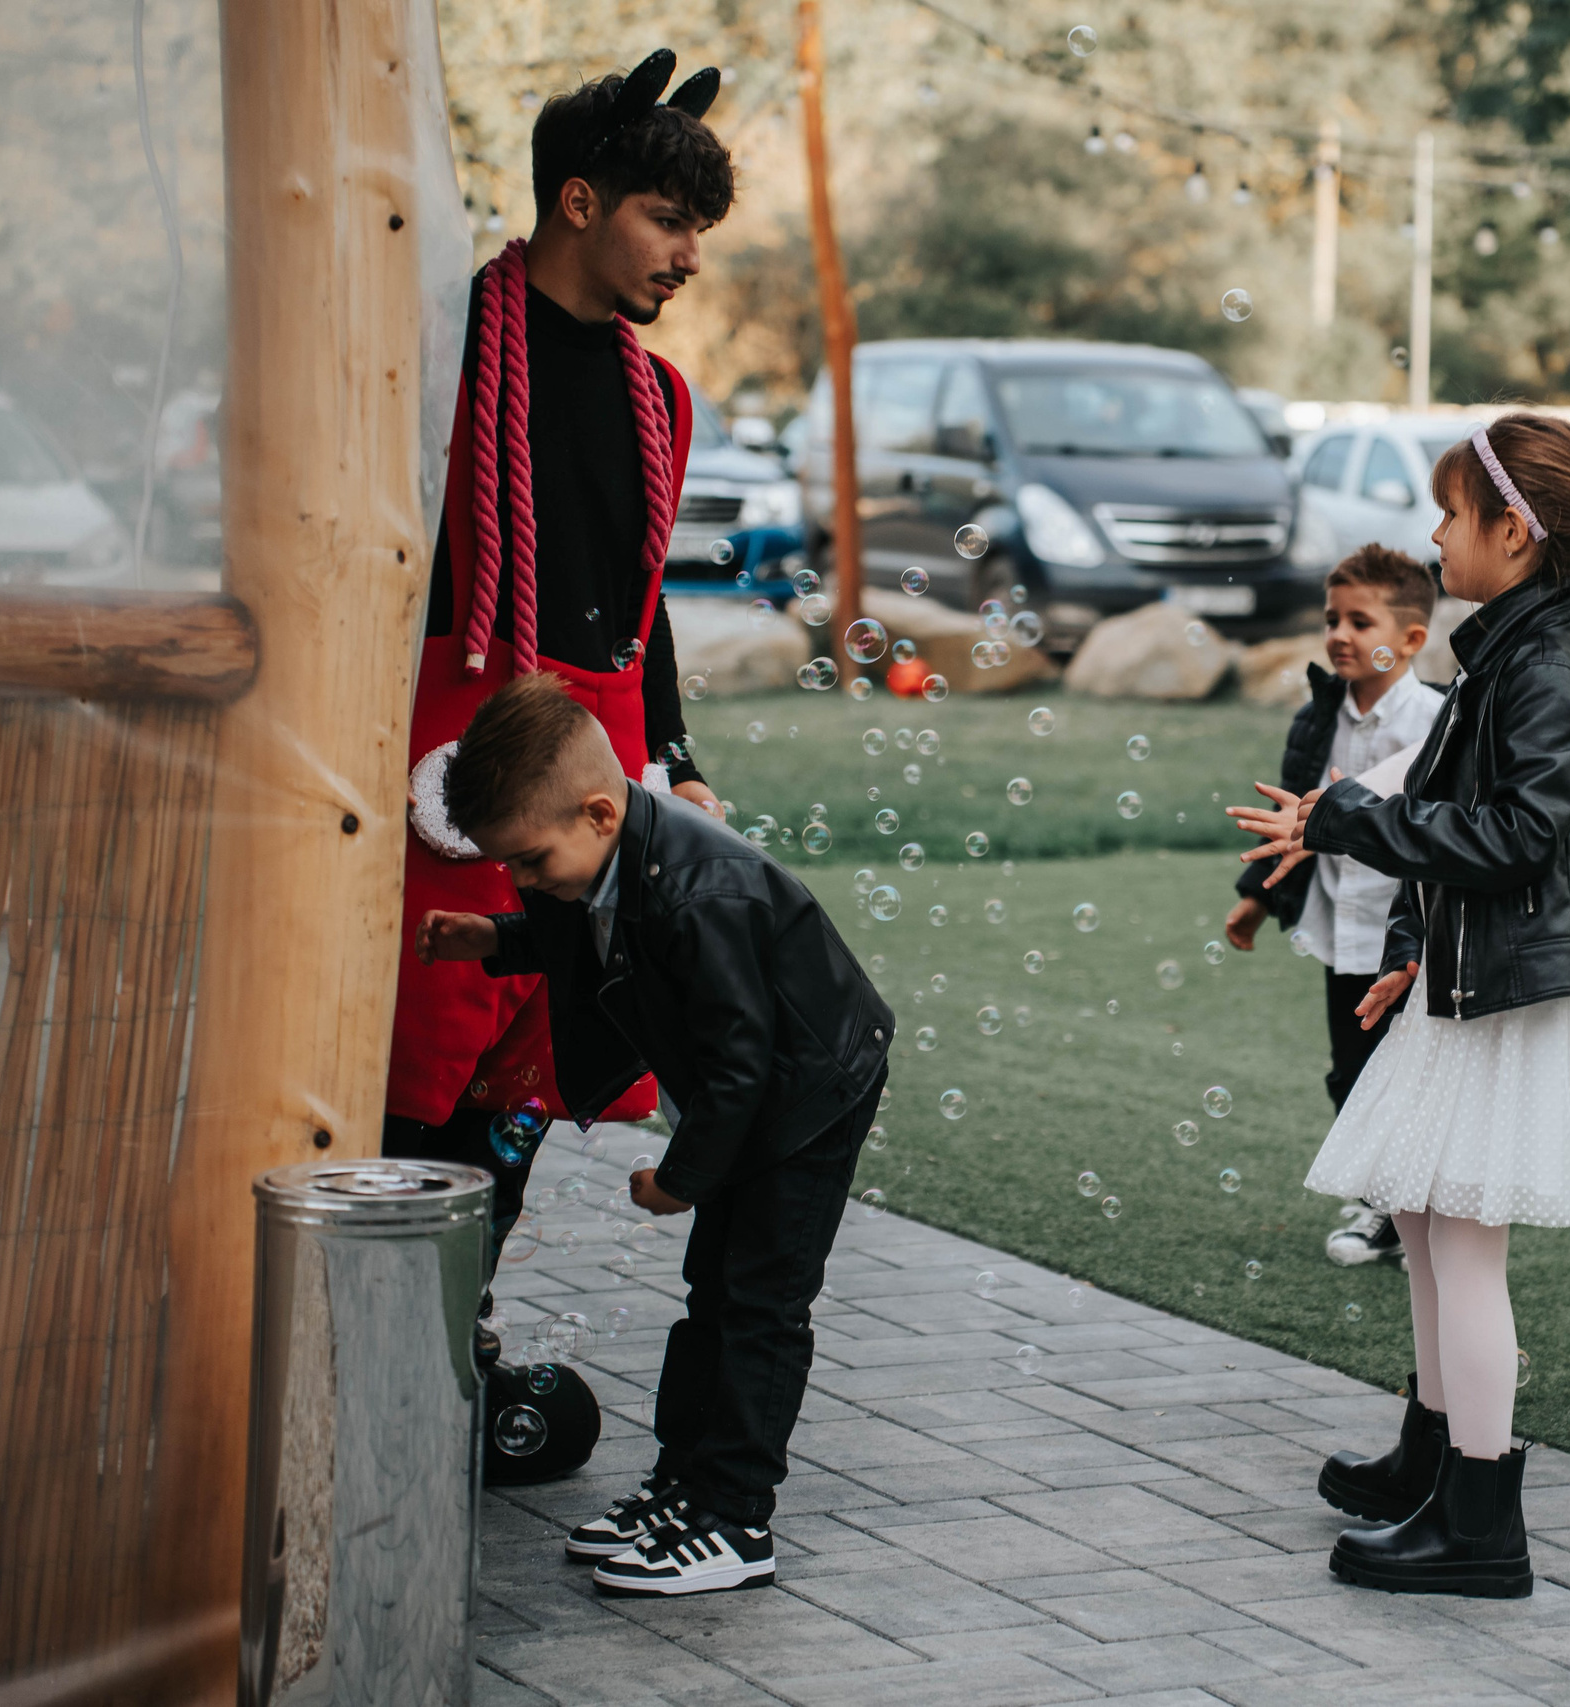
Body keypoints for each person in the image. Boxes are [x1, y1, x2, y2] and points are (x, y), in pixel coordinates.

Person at [1230, 415, 1570, 1599]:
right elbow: (1446, 812)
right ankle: (1432, 1458)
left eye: (1450, 515)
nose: (1432, 532)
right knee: (1418, 1219)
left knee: (1462, 1245)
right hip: (1472, 978)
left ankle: (1480, 1521)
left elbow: (1521, 837)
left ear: (1511, 534)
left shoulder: (1541, 665)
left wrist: (1347, 820)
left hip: (1518, 1000)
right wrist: (1409, 939)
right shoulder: (1503, 649)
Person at [416, 673, 895, 1597]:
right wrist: (495, 938)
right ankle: (681, 1487)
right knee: (710, 1293)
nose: (519, 878)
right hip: (749, 1089)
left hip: (809, 1093)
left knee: (758, 1304)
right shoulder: (606, 850)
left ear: (599, 812)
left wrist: (681, 1177)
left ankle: (735, 1516)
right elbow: (576, 926)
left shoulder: (699, 890)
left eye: (526, 860)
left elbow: (742, 1067)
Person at [384, 49, 735, 1262]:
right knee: (420, 1044)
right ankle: (377, 1312)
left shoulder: (665, 397)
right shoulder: (438, 344)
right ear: (577, 201)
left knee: (539, 1058)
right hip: (458, 734)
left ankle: (459, 1313)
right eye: (670, 221)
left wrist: (675, 758)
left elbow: (643, 596)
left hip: (599, 751)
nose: (689, 256)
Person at [1224, 545, 1445, 1270]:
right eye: (1331, 619)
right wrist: (1256, 898)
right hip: (1340, 927)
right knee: (1351, 1072)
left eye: (1361, 619)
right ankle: (1385, 1204)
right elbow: (1293, 817)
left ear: (1412, 639)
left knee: (1416, 1073)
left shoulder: (1437, 720)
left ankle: (1422, 1211)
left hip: (1410, 934)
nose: (1340, 634)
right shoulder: (1320, 718)